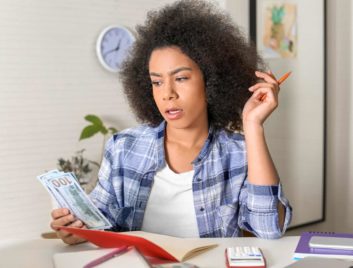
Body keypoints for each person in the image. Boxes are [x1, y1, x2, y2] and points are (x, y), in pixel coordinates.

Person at [50, 0, 292, 245]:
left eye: (181, 78)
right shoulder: (123, 148)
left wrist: (252, 125)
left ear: (211, 80)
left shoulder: (240, 152)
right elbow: (96, 224)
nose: (167, 94)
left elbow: (268, 229)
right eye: (157, 82)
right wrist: (76, 230)